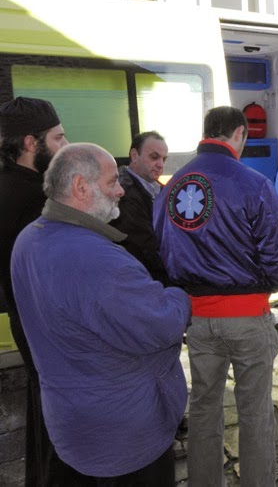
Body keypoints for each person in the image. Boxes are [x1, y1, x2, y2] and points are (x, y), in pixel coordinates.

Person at [10, 143, 191, 484]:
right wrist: (180, 295)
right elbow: (161, 325)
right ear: (80, 187)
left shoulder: (28, 240)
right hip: (125, 437)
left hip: (71, 426)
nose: (121, 189)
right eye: (112, 182)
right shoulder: (97, 259)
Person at [153, 106, 278, 487]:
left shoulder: (171, 186)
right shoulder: (252, 182)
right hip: (247, 317)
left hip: (197, 319)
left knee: (202, 408)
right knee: (255, 414)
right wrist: (268, 284)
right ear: (238, 134)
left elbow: (162, 249)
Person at [0, 96, 79, 486]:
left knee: (42, 419)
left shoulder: (9, 186)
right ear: (32, 143)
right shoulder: (35, 199)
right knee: (61, 432)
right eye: (59, 137)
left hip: (25, 327)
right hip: (48, 334)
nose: (65, 145)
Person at [110, 131, 169, 284]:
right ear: (135, 155)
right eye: (154, 157)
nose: (161, 165)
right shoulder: (123, 194)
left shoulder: (161, 190)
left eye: (164, 159)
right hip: (142, 278)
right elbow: (145, 248)